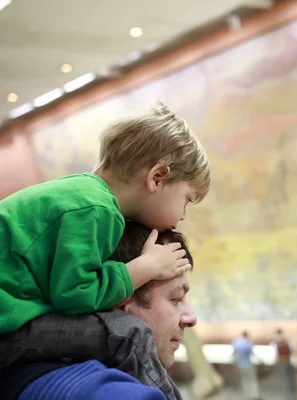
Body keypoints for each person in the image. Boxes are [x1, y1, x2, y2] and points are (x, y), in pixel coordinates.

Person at [0, 103, 211, 399]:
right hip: (8, 330)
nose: (184, 213)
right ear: (158, 177)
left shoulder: (80, 194)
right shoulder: (96, 210)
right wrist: (146, 267)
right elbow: (75, 295)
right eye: (187, 199)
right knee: (128, 334)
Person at [0, 222, 198, 400]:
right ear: (120, 300)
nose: (192, 318)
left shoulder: (19, 376)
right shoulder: (107, 394)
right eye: (176, 299)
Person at [232, 331, 261, 400]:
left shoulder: (236, 343)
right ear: (247, 336)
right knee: (252, 381)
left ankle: (247, 395)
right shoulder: (249, 343)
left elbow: (234, 354)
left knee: (244, 380)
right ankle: (254, 395)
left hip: (240, 365)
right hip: (248, 365)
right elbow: (252, 353)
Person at [270, 328, 296, 397]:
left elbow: (274, 354)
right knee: (289, 378)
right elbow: (292, 351)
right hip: (287, 361)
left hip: (281, 362)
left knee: (284, 378)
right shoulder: (287, 342)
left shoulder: (275, 343)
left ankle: (286, 394)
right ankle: (290, 393)